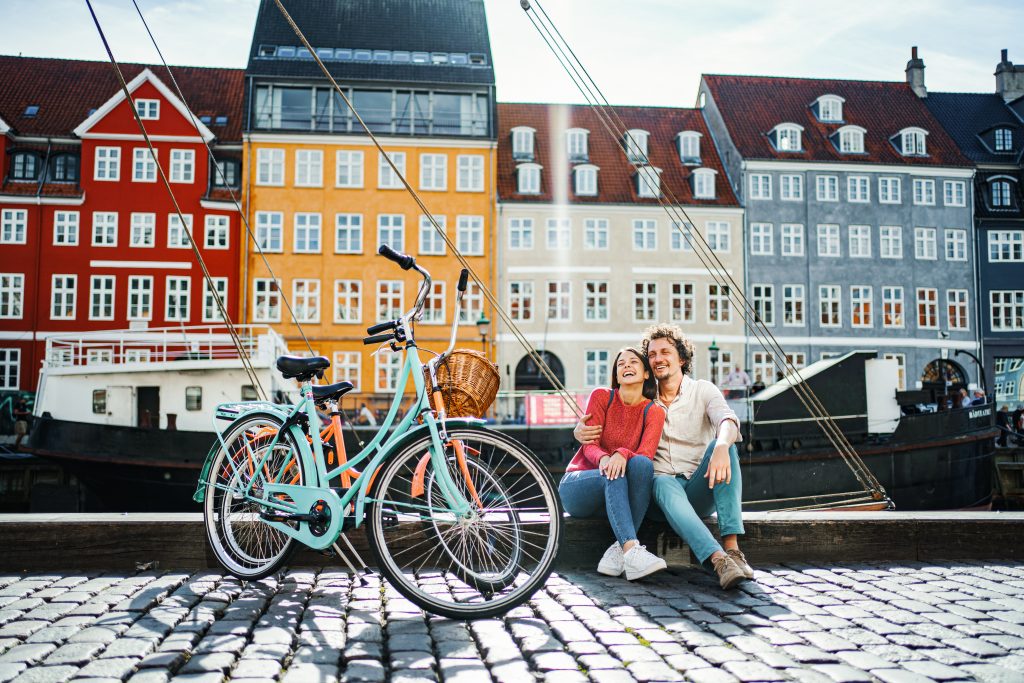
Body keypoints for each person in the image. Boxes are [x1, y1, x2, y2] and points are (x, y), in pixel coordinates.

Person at [575, 324, 752, 590]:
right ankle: (718, 560)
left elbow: (727, 419)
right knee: (663, 482)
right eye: (653, 354)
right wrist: (579, 430)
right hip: (659, 495)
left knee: (725, 446)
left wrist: (721, 445)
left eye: (665, 352)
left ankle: (733, 550)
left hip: (698, 486)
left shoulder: (703, 390)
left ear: (681, 358)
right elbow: (611, 420)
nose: (658, 358)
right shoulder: (643, 400)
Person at [559, 347, 667, 580]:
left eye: (633, 362)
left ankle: (618, 553)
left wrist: (621, 453)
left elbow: (645, 454)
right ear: (617, 376)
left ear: (646, 373)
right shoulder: (602, 397)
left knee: (642, 466)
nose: (626, 366)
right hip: (579, 486)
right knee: (613, 471)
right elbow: (589, 445)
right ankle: (631, 550)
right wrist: (607, 457)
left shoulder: (654, 411)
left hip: (616, 493)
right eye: (621, 364)